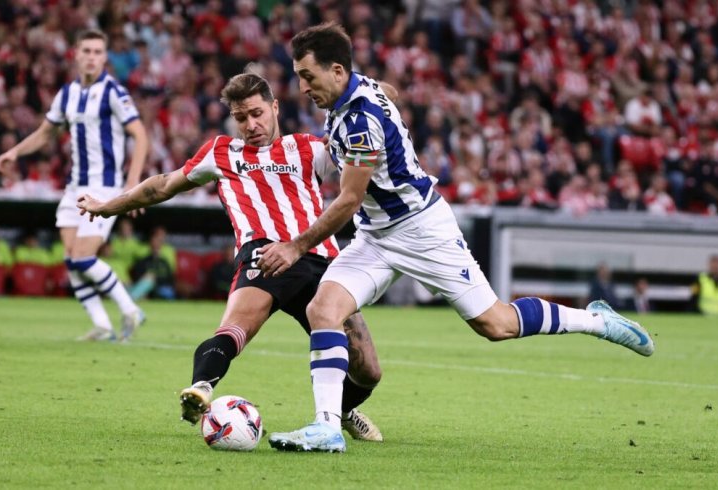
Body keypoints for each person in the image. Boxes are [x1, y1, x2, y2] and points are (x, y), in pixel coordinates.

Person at [259, 23, 655, 453]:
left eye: (308, 76)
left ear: (337, 71)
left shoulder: (358, 121)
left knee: (496, 324)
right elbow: (388, 90)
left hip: (422, 231)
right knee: (324, 309)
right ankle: (326, 428)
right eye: (299, 75)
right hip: (377, 236)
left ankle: (598, 321)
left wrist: (296, 246)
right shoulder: (354, 91)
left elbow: (349, 200)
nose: (302, 87)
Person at [77, 72, 385, 442]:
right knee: (236, 327)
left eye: (257, 113)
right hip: (263, 256)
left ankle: (343, 411)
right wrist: (109, 206)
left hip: (318, 256)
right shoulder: (220, 152)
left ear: (274, 107)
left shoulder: (309, 148)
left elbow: (360, 169)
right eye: (241, 118)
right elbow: (162, 185)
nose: (251, 125)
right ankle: (201, 390)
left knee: (367, 369)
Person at [0, 29, 147, 342]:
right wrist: (14, 151)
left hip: (104, 187)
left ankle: (130, 309)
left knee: (82, 258)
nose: (91, 57)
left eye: (97, 52)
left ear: (104, 58)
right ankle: (103, 325)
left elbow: (141, 135)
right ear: (76, 55)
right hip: (74, 187)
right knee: (70, 258)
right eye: (86, 51)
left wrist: (133, 186)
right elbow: (44, 133)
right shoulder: (67, 94)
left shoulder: (113, 92)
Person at [128, 226, 177, 300]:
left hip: (162, 287)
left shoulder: (164, 262)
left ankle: (130, 298)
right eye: (153, 243)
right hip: (146, 287)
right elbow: (137, 276)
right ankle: (131, 297)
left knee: (151, 279)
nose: (155, 245)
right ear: (150, 244)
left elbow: (170, 279)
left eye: (157, 243)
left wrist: (155, 279)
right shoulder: (144, 260)